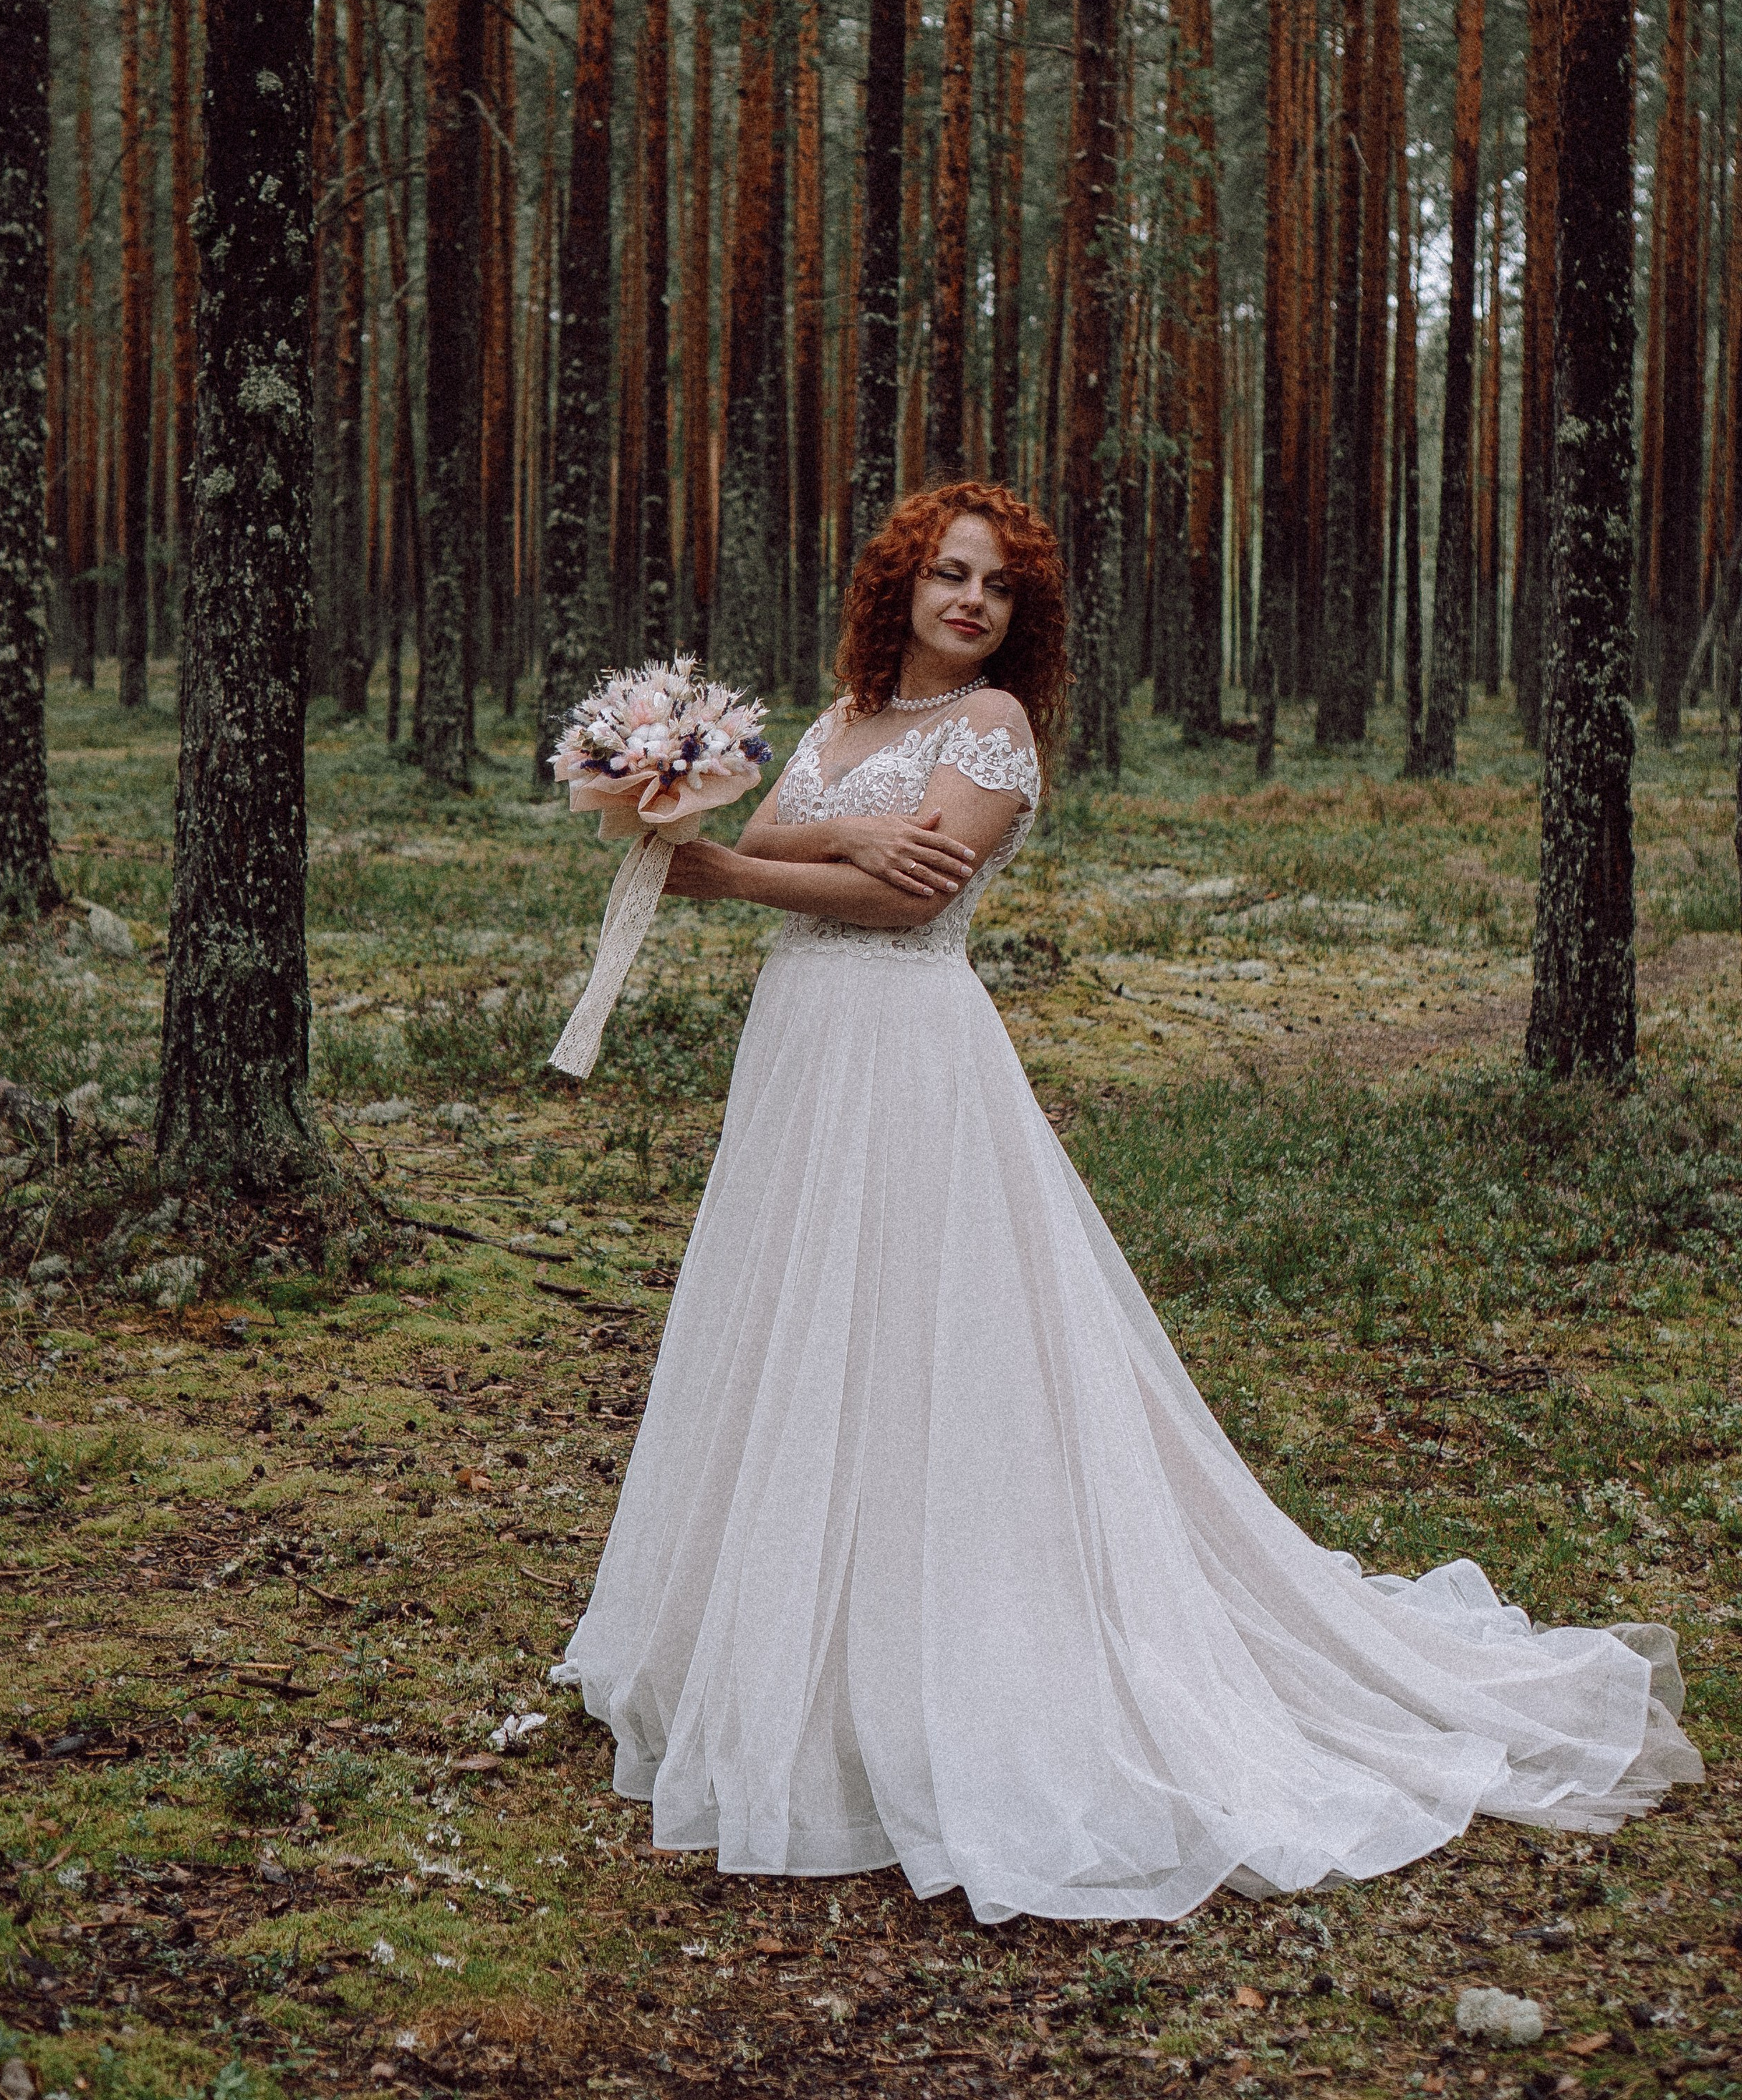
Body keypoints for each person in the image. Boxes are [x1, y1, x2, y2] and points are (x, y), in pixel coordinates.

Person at [551, 481, 1700, 1924]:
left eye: (998, 589)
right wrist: (815, 838)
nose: (971, 602)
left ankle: (940, 1664)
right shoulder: (844, 721)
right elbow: (791, 842)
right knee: (793, 1319)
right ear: (899, 583)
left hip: (909, 1051)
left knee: (925, 1337)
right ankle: (789, 1653)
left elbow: (915, 899)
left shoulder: (991, 728)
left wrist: (746, 869)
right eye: (948, 574)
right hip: (799, 1049)